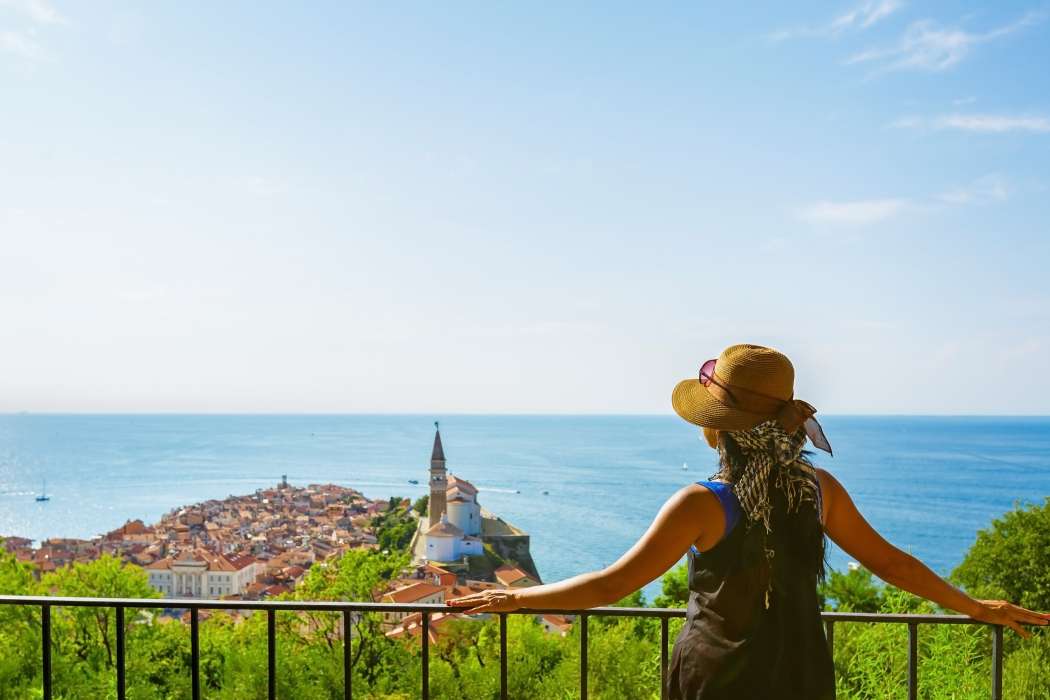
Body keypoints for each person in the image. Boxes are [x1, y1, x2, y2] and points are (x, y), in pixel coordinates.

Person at [447, 344, 1049, 699]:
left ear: (720, 431)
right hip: (801, 673)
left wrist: (515, 603)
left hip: (717, 678)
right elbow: (891, 563)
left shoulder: (701, 504)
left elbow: (612, 584)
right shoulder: (819, 490)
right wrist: (974, 606)